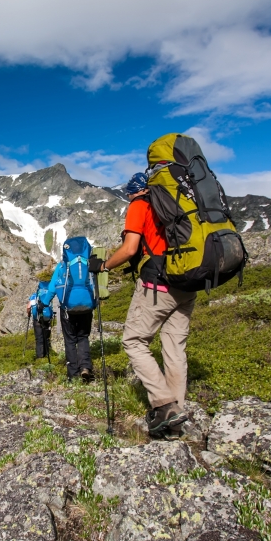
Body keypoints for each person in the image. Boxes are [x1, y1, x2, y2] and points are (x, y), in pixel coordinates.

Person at [89, 172, 196, 437]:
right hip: (187, 281)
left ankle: (164, 404)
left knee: (134, 341)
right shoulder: (177, 202)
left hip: (157, 285)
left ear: (134, 192)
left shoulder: (140, 204)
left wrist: (102, 265)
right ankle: (175, 414)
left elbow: (129, 248)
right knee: (174, 348)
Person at [40, 237, 95, 383]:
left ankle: (73, 374)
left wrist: (44, 304)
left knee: (70, 340)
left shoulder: (62, 265)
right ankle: (85, 367)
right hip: (87, 307)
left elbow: (51, 288)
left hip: (67, 309)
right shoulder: (87, 263)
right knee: (83, 336)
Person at [27, 289, 51, 359]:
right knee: (46, 337)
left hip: (37, 320)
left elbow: (28, 307)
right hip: (46, 319)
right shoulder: (47, 294)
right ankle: (47, 354)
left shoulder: (33, 296)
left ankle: (40, 356)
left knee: (39, 338)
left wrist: (28, 314)